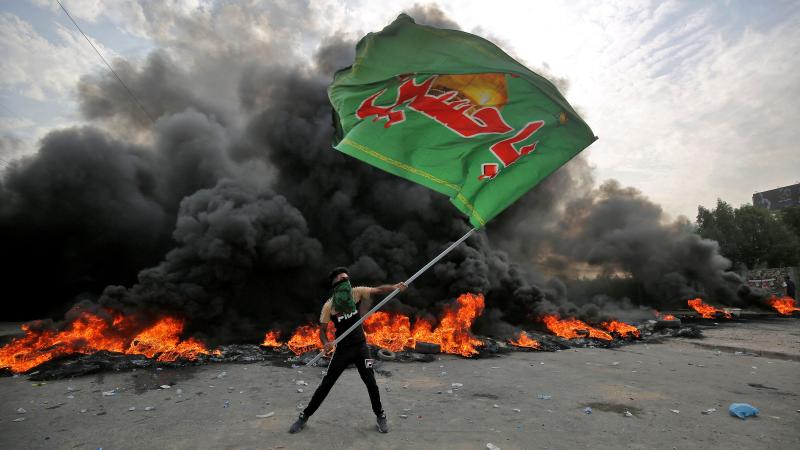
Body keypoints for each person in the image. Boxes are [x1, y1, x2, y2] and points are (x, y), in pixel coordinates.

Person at [289, 267, 406, 434]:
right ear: (335, 283)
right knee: (326, 384)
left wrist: (394, 287)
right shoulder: (329, 306)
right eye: (342, 279)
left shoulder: (355, 293)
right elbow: (322, 331)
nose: (346, 281)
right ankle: (304, 416)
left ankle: (380, 415)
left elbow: (378, 290)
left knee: (371, 383)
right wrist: (326, 343)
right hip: (343, 351)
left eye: (347, 278)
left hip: (361, 348)